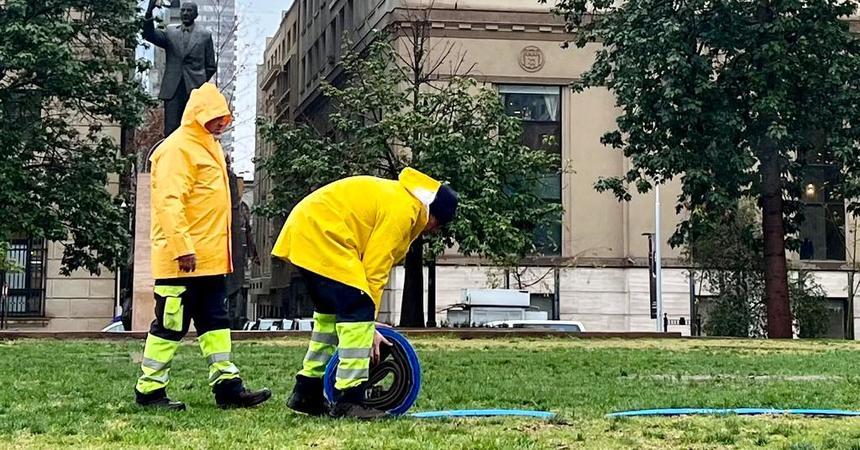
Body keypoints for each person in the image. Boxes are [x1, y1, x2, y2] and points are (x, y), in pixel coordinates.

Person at [273, 168, 458, 419]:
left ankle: (307, 390)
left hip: (309, 232)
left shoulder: (398, 198)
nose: (433, 231)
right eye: (438, 225)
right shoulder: (404, 210)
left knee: (329, 315)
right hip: (323, 235)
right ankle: (349, 399)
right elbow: (374, 269)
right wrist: (367, 324)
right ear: (433, 216)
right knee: (358, 309)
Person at [134, 82, 271, 411]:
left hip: (208, 261)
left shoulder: (206, 147)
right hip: (182, 261)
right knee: (170, 326)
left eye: (224, 118)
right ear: (198, 116)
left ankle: (229, 387)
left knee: (216, 324)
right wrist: (182, 246)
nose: (221, 124)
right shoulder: (178, 149)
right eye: (215, 118)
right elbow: (169, 202)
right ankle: (150, 390)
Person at [143, 0, 217, 136]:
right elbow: (150, 35)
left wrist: (198, 80)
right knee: (171, 130)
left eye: (189, 11)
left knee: (193, 129)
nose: (185, 13)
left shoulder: (205, 35)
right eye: (183, 10)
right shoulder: (170, 32)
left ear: (196, 14)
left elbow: (211, 66)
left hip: (194, 90)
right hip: (173, 89)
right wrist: (149, 11)